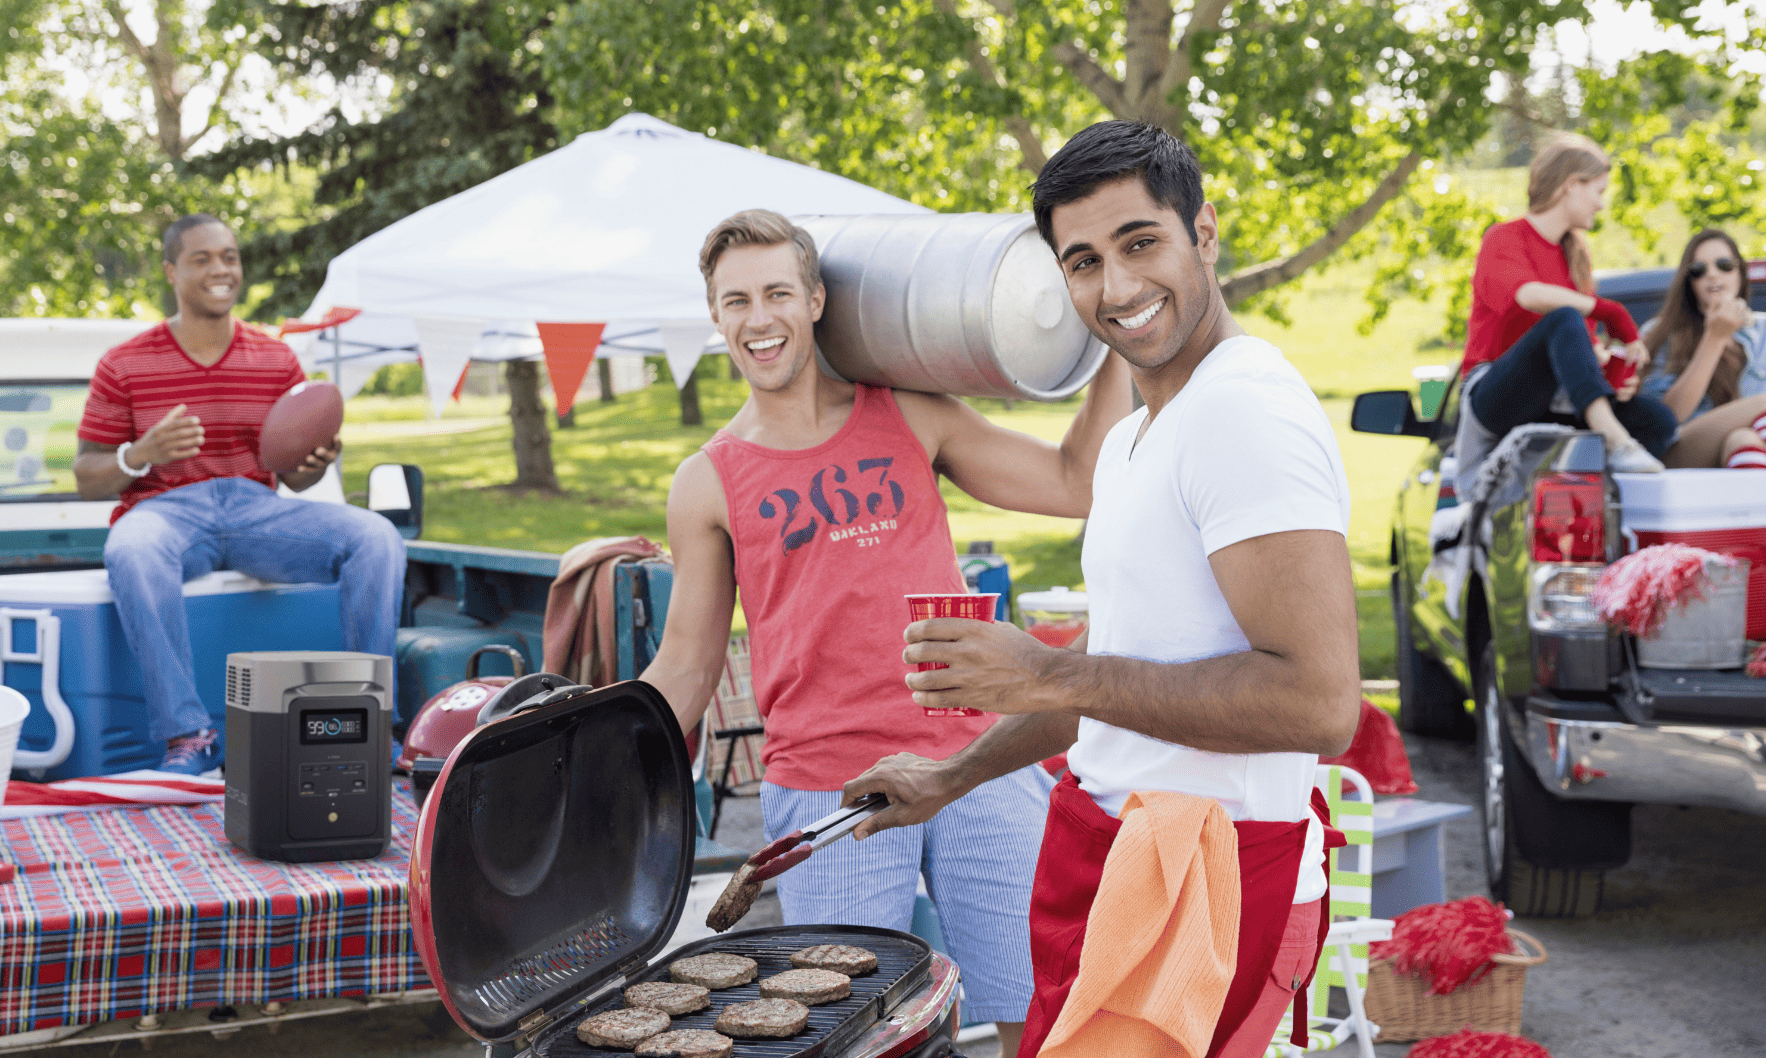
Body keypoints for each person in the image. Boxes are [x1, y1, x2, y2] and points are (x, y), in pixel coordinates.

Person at [837, 121, 1362, 1058]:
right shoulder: (1132, 437)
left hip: (1209, 874)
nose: (1116, 288)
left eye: (1139, 243)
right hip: (1113, 851)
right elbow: (1126, 665)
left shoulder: (1244, 412)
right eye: (1082, 261)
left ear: (1204, 232)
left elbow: (1319, 704)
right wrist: (952, 778)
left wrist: (1045, 675)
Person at [639, 209, 1135, 1058]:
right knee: (837, 1028)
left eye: (777, 293)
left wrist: (1113, 341)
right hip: (833, 789)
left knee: (1042, 1009)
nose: (760, 318)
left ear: (817, 298)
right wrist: (587, 740)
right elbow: (686, 665)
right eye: (736, 302)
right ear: (715, 318)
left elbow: (1077, 481)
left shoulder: (908, 412)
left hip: (980, 757)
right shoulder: (708, 482)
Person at [74, 214, 407, 775]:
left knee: (376, 536)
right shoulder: (124, 363)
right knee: (130, 549)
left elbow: (293, 477)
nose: (220, 269)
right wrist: (143, 451)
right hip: (165, 509)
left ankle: (367, 719)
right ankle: (188, 736)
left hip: (256, 509)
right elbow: (86, 475)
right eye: (202, 258)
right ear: (171, 272)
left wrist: (312, 464)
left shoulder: (276, 359)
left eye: (228, 256)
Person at [1456, 134, 1675, 478]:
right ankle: (1617, 442)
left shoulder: (1576, 257)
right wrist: (1608, 309)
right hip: (1495, 397)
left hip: (1554, 399)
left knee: (1657, 420)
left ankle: (1613, 508)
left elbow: (1578, 344)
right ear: (1571, 185)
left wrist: (1610, 376)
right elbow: (1529, 296)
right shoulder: (1504, 237)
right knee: (1563, 318)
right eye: (1598, 192)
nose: (1601, 205)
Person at [1639, 229, 1766, 468]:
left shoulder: (1764, 332)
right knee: (1764, 403)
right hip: (1685, 450)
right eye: (1699, 270)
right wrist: (1715, 338)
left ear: (1740, 273)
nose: (1713, 274)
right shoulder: (1661, 332)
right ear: (1689, 282)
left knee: (1743, 439)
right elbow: (1669, 417)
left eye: (1724, 265)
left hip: (1746, 448)